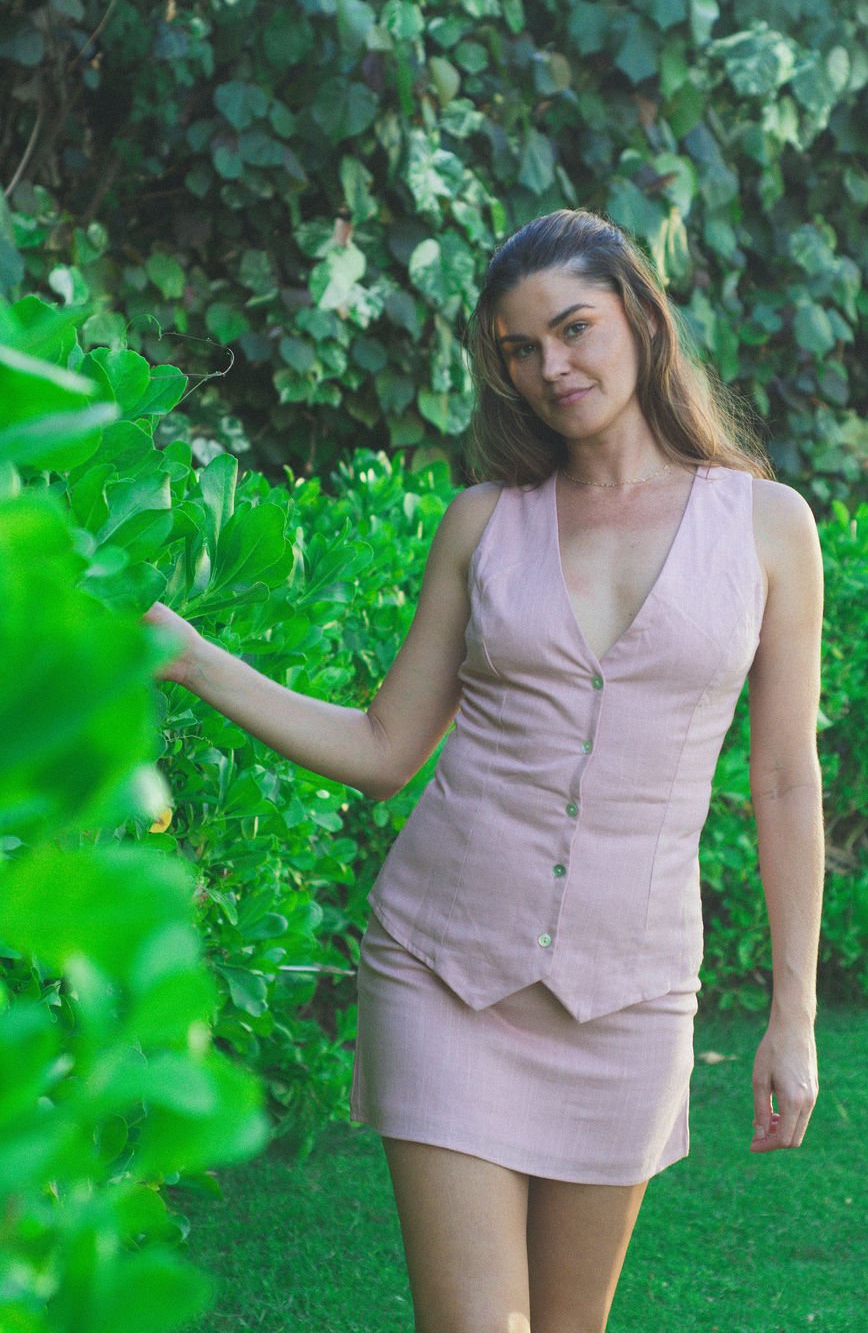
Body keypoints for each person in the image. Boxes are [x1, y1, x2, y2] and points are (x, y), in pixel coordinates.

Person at [145, 208, 824, 1333]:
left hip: (630, 992)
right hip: (440, 971)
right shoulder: (482, 525)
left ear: (643, 324)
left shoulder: (766, 527)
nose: (551, 366)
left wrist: (791, 1015)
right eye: (520, 348)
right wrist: (200, 662)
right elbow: (381, 749)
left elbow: (785, 781)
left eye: (574, 328)